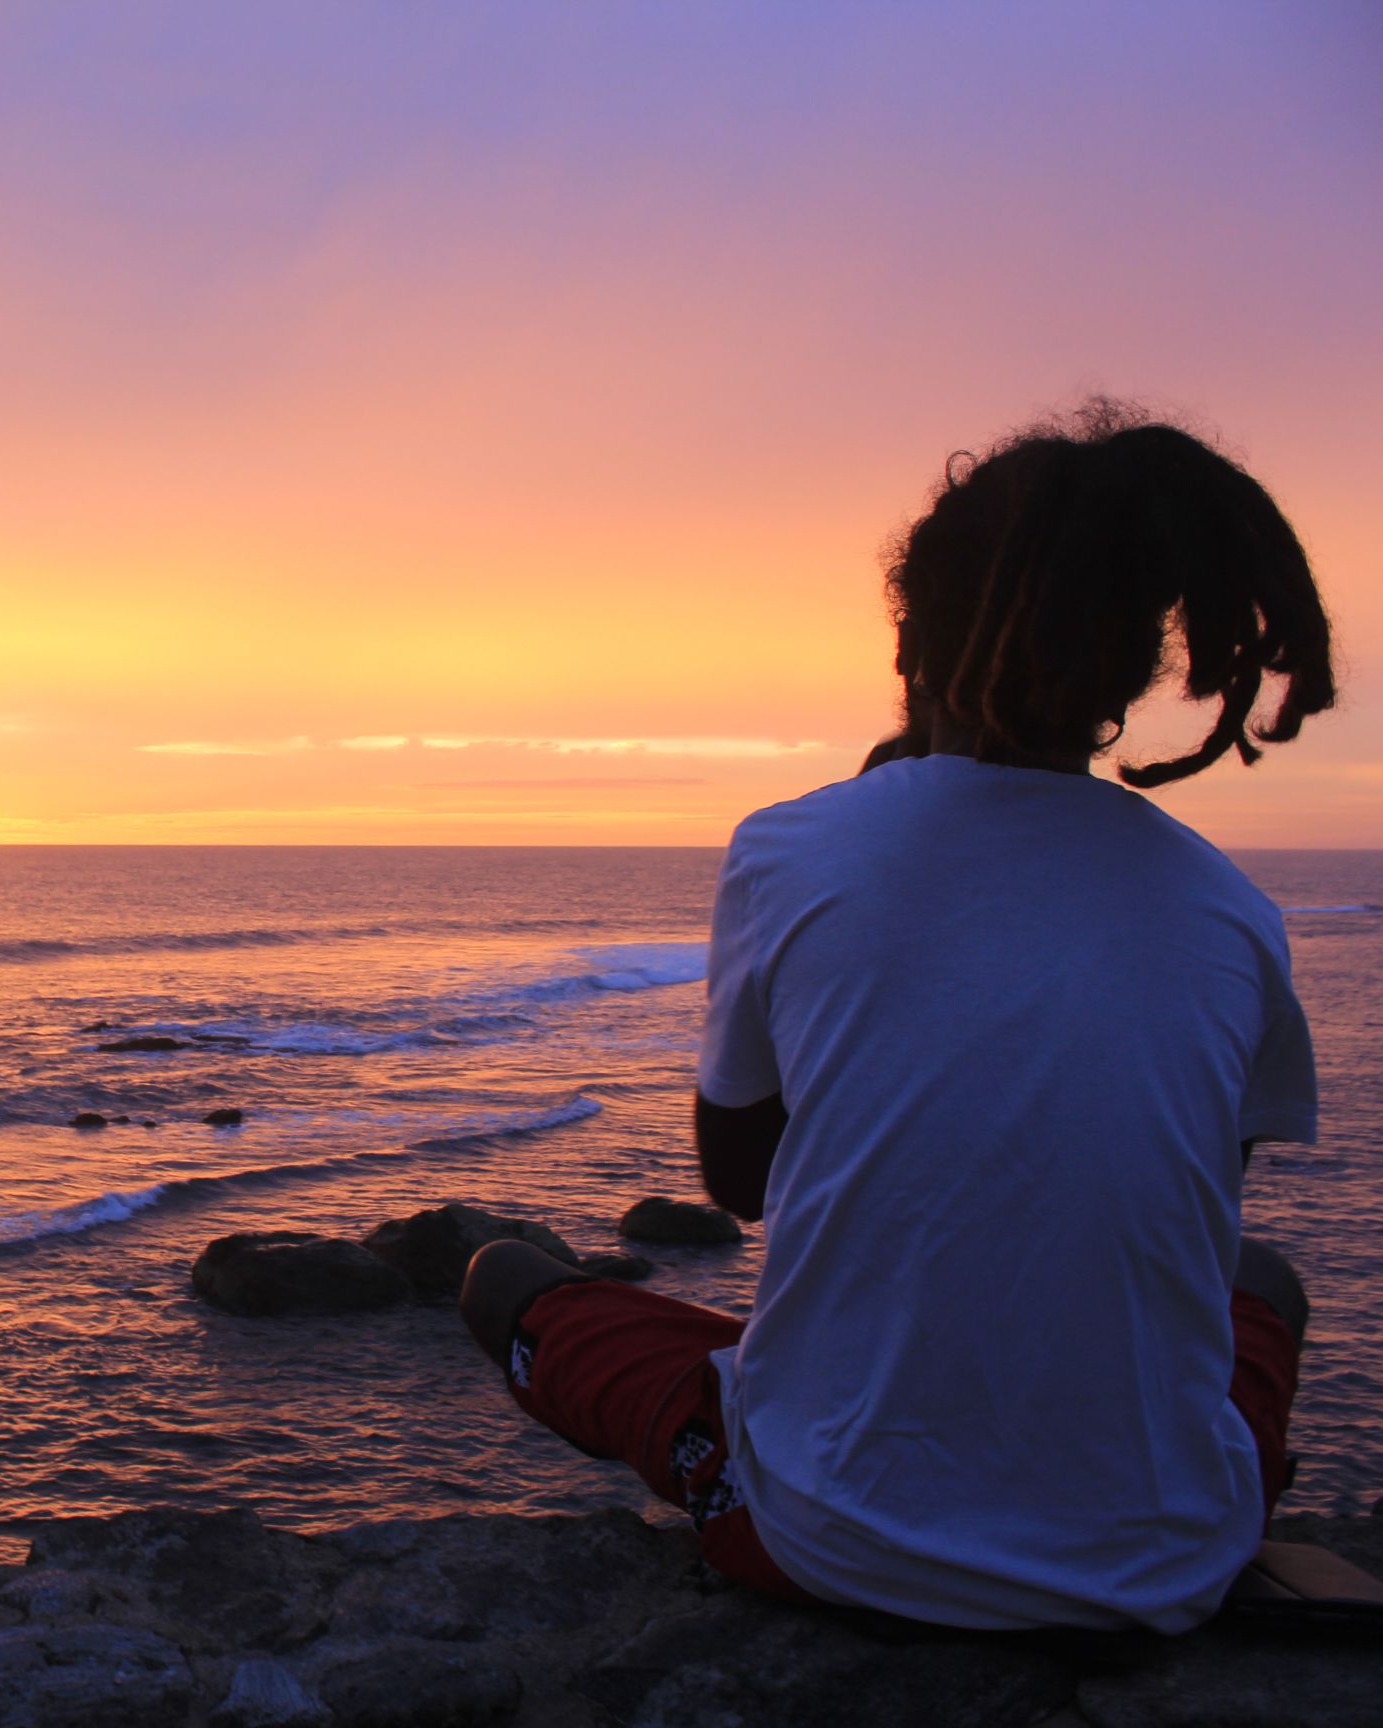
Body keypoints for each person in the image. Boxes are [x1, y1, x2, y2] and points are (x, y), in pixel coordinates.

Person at [460, 401, 1335, 1632]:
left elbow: (743, 1183)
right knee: (1265, 1284)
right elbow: (1197, 1214)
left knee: (504, 1274)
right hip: (1167, 1568)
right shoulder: (1229, 910)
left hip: (830, 1537)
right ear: (1135, 670)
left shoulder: (798, 846)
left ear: (914, 645)